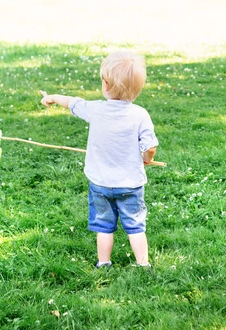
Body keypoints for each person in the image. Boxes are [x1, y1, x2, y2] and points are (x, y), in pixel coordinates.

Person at [40, 50, 158, 268]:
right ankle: (143, 264)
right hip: (131, 184)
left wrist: (54, 98)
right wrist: (146, 158)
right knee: (135, 226)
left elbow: (73, 103)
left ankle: (104, 262)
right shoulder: (140, 114)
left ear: (105, 84)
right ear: (137, 90)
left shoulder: (94, 109)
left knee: (104, 226)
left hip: (100, 183)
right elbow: (150, 146)